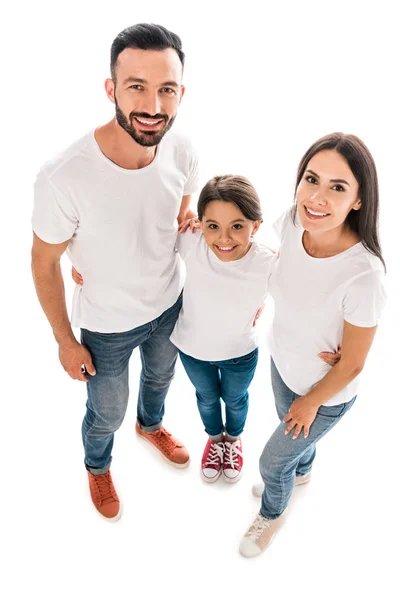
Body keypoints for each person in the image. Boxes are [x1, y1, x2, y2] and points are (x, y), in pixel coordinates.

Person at [31, 23, 199, 522]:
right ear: (111, 90)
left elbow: (175, 214)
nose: (153, 104)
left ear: (180, 93)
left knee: (161, 380)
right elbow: (43, 260)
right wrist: (64, 339)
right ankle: (98, 464)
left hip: (169, 306)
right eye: (136, 87)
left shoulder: (183, 149)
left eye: (166, 89)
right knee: (106, 410)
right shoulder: (64, 176)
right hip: (106, 327)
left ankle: (151, 427)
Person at [73, 175, 339, 484]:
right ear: (201, 223)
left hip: (239, 354)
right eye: (213, 226)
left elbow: (307, 296)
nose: (224, 238)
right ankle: (215, 440)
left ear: (256, 225)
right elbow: (140, 245)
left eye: (237, 226)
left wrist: (339, 337)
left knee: (236, 400)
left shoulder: (268, 264)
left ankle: (233, 440)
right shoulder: (191, 242)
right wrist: (83, 262)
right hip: (192, 351)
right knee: (207, 399)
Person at [239, 132, 387, 558]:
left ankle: (273, 512)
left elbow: (354, 364)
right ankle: (299, 471)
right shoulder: (292, 222)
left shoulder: (363, 275)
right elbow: (285, 267)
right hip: (283, 363)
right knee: (293, 451)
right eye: (311, 179)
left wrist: (310, 403)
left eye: (337, 187)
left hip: (324, 393)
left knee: (271, 463)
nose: (317, 197)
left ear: (358, 200)